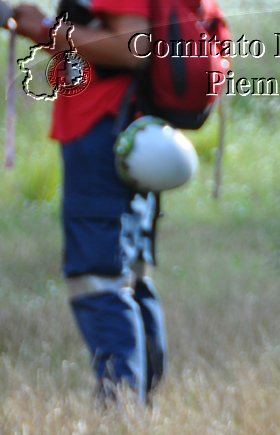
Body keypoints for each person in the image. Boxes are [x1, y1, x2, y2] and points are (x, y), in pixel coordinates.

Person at [8, 1, 165, 407]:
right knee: (128, 277)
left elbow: (133, 46)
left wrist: (47, 27)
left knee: (101, 278)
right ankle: (138, 410)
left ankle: (122, 414)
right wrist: (41, 31)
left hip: (102, 131)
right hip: (121, 129)